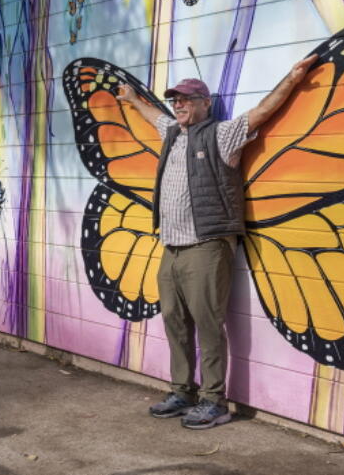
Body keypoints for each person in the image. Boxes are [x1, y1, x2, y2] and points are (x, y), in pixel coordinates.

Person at [115, 55, 316, 429]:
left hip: (206, 245)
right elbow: (151, 115)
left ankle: (213, 400)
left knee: (208, 323)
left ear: (206, 104)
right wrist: (130, 98)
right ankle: (182, 391)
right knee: (174, 320)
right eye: (176, 100)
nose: (179, 105)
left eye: (187, 99)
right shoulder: (172, 132)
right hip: (171, 247)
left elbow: (260, 113)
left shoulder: (221, 134)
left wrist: (292, 77)